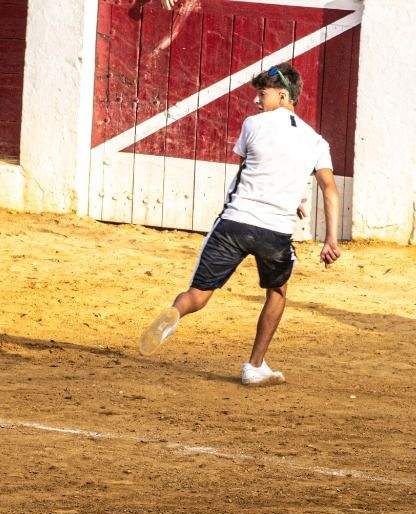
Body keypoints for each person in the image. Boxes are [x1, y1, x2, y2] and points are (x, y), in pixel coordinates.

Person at [138, 62, 340, 386]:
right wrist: (330, 238)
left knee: (199, 294)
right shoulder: (316, 141)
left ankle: (177, 312)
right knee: (277, 292)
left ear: (283, 95)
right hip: (276, 232)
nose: (257, 101)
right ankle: (255, 366)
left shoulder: (253, 125)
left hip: (235, 223)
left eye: (263, 93)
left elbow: (252, 169)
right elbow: (329, 188)